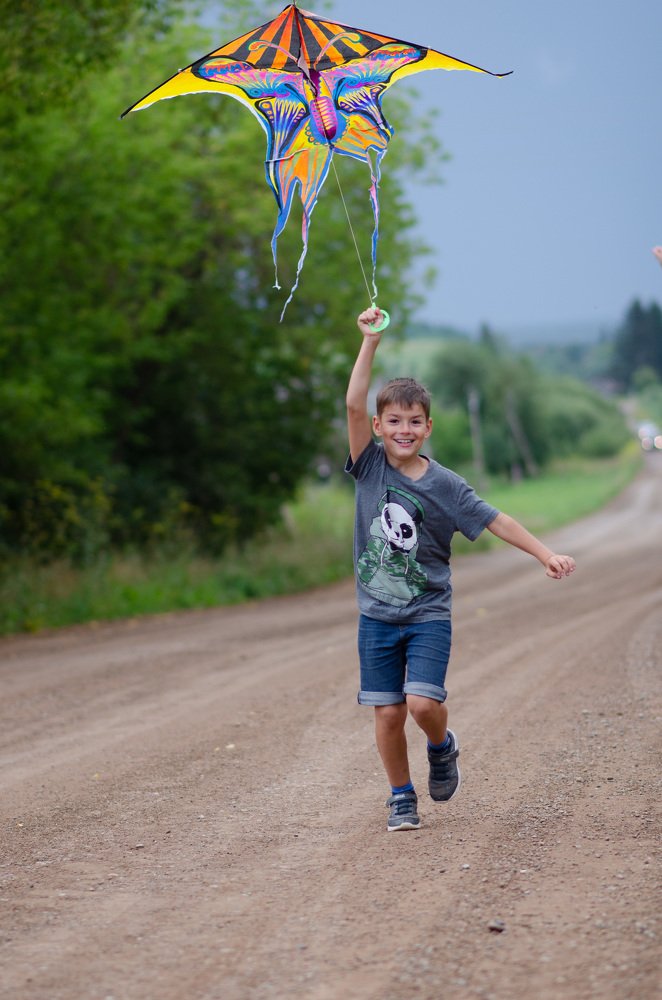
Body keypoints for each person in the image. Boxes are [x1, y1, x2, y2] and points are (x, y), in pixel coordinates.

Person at [345, 306, 576, 832]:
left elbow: (496, 520)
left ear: (428, 427)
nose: (404, 430)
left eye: (415, 422)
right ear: (379, 427)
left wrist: (545, 554)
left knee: (423, 706)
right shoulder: (369, 466)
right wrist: (369, 342)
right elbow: (353, 401)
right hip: (376, 617)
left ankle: (441, 746)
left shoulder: (445, 485)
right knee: (387, 713)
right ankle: (401, 796)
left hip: (428, 613)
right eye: (394, 422)